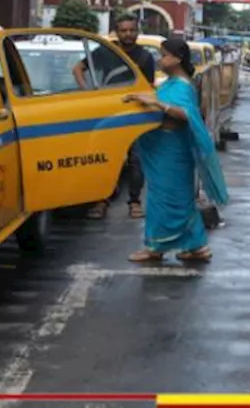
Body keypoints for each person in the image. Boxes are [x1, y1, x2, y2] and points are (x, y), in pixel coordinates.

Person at [122, 37, 229, 263]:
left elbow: (185, 114)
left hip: (172, 150)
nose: (160, 60)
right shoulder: (170, 82)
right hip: (165, 149)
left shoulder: (182, 85)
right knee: (177, 199)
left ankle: (155, 247)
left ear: (178, 58)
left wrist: (158, 104)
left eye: (164, 55)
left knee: (164, 199)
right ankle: (197, 247)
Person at [73, 13, 158, 220]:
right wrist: (89, 92)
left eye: (132, 30)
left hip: (136, 115)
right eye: (124, 30)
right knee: (104, 159)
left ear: (137, 31)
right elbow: (78, 69)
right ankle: (101, 201)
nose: (128, 34)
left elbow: (149, 87)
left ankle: (135, 202)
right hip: (108, 114)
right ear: (116, 32)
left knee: (136, 160)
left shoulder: (146, 57)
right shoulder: (105, 52)